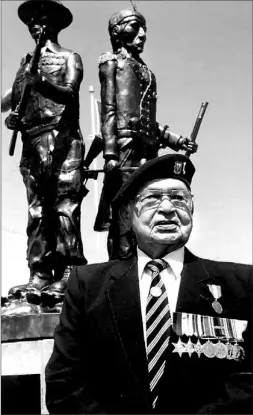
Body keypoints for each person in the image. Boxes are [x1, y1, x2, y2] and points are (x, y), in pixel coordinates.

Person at [45, 153, 253, 414]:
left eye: (179, 198)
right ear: (125, 215)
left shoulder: (241, 284)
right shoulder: (86, 285)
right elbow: (64, 385)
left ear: (192, 208)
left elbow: (247, 384)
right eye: (152, 198)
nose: (167, 208)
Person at [93, 8, 198, 260]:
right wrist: (110, 154)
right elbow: (108, 111)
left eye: (144, 29)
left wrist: (177, 140)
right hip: (125, 150)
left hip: (147, 154)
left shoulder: (147, 72)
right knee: (124, 216)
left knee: (147, 211)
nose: (142, 35)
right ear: (117, 32)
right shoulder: (111, 62)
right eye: (134, 27)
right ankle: (119, 272)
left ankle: (141, 271)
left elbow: (150, 123)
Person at [5, 0, 87, 305]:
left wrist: (42, 83)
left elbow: (69, 92)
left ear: (53, 24)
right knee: (37, 210)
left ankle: (68, 272)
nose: (34, 25)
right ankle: (38, 272)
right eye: (30, 21)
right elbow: (16, 105)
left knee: (64, 205)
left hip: (63, 138)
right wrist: (12, 118)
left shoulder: (69, 57)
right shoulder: (24, 65)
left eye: (39, 20)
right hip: (32, 141)